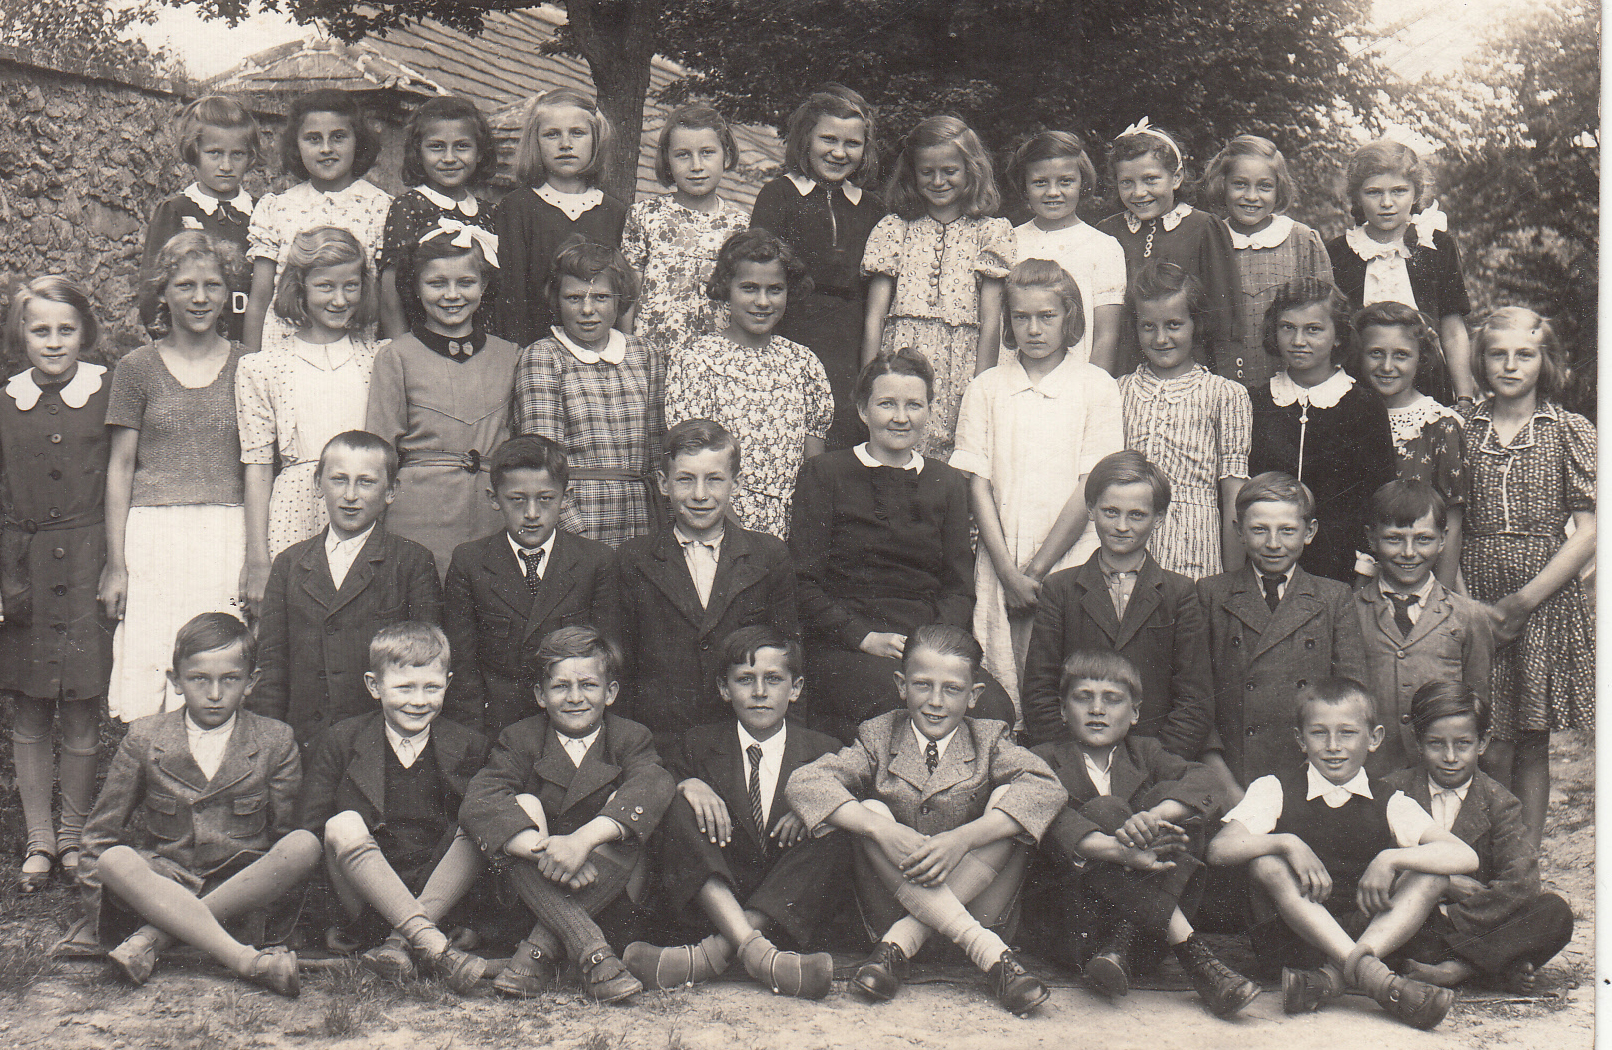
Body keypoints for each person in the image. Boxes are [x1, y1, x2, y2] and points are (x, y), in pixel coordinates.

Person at [786, 624, 1065, 1016]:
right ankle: (991, 955)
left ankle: (902, 943)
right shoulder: (879, 735)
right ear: (901, 686)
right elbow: (805, 783)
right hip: (892, 905)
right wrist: (882, 829)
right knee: (872, 812)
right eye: (922, 685)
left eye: (952, 689)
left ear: (974, 695)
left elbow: (1048, 788)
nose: (936, 701)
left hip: (981, 908)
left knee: (1009, 801)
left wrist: (964, 839)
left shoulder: (989, 739)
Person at [1207, 678, 1478, 1029]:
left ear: (1374, 738)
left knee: (1432, 874)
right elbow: (1219, 849)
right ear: (1300, 740)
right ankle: (1378, 980)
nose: (1333, 746)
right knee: (1265, 863)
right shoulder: (1274, 789)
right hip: (1292, 944)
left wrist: (1390, 858)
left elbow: (1464, 856)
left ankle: (1331, 979)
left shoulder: (1390, 800)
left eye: (1347, 733)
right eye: (1319, 733)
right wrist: (1286, 842)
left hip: (1371, 935)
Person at [79, 613, 321, 996]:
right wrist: (104, 915)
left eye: (231, 679)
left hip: (240, 888)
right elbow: (97, 840)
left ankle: (151, 939)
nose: (214, 694)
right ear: (175, 680)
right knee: (115, 860)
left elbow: (284, 836)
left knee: (304, 844)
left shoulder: (274, 740)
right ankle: (247, 961)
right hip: (162, 885)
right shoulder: (145, 738)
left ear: (252, 681)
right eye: (198, 679)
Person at [790, 348, 1015, 743]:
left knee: (995, 708)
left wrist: (931, 645)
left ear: (929, 410)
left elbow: (959, 587)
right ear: (863, 410)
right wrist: (863, 637)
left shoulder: (947, 482)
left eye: (914, 405)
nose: (900, 417)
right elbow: (802, 583)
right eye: (887, 404)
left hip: (927, 646)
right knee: (893, 708)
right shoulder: (825, 473)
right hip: (850, 645)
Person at [1030, 649, 1258, 1018]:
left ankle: (1123, 940)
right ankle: (1192, 952)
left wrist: (1153, 817)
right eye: (1083, 697)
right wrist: (1119, 850)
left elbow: (1208, 781)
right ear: (1062, 709)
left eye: (1112, 699)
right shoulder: (1042, 758)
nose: (1097, 709)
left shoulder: (1146, 752)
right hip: (1074, 927)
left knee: (1173, 805)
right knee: (1107, 810)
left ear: (1135, 712)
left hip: (1142, 941)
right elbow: (1049, 820)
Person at [622, 625, 848, 997]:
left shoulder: (825, 750)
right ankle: (763, 958)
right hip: (714, 899)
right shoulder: (696, 745)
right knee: (675, 801)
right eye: (745, 679)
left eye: (773, 679)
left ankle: (713, 954)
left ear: (795, 688)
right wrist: (687, 784)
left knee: (835, 821)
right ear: (724, 689)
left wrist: (816, 806)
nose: (759, 692)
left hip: (787, 906)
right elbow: (661, 783)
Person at [459, 626, 675, 1003]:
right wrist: (546, 852)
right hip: (534, 900)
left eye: (588, 685)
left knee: (628, 818)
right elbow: (479, 800)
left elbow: (655, 784)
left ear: (610, 692)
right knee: (518, 812)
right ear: (540, 695)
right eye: (560, 687)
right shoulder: (520, 738)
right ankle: (593, 952)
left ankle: (537, 953)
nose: (575, 698)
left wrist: (582, 842)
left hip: (612, 901)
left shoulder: (630, 738)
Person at [951, 259, 1123, 709]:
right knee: (1001, 684)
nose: (1033, 329)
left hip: (1070, 558)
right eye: (1021, 317)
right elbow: (977, 484)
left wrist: (1035, 573)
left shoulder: (1097, 387)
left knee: (1069, 682)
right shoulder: (986, 388)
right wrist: (1009, 575)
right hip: (1000, 559)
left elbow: (1092, 486)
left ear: (1069, 316)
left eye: (1047, 316)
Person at [1461, 307, 1595, 851]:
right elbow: (1448, 523)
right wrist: (1469, 606)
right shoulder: (1461, 428)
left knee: (1532, 738)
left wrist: (1524, 600)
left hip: (1541, 595)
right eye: (1498, 354)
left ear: (1546, 360)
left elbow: (1589, 530)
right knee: (1488, 739)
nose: (1510, 366)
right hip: (1474, 589)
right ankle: (1488, 857)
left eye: (1524, 354)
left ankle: (1527, 861)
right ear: (1480, 361)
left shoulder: (1567, 430)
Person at [103, 231, 249, 723]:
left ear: (228, 292)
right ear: (163, 292)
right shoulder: (136, 368)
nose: (200, 298)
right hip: (155, 536)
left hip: (226, 534)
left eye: (212, 285)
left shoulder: (250, 365)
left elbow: (257, 464)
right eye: (186, 285)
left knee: (217, 661)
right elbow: (121, 467)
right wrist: (116, 564)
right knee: (154, 659)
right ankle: (152, 768)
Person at [300, 622, 489, 993]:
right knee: (342, 823)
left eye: (431, 687)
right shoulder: (342, 740)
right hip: (366, 898)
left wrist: (476, 923)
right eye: (404, 687)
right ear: (374, 686)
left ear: (448, 684)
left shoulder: (469, 745)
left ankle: (400, 946)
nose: (418, 700)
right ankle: (430, 946)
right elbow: (312, 831)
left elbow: (476, 852)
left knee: (480, 821)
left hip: (437, 899)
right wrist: (326, 921)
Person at [1, 277, 113, 891]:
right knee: (32, 701)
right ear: (20, 334)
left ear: (84, 333)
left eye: (65, 329)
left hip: (88, 559)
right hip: (25, 567)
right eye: (39, 329)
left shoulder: (106, 390)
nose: (52, 341)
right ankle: (39, 837)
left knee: (81, 702)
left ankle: (73, 833)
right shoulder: (6, 399)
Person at [615, 420, 799, 750]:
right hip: (661, 742)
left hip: (742, 741)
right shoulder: (633, 558)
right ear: (664, 483)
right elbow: (621, 668)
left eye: (714, 479)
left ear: (736, 484)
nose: (700, 495)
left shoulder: (769, 555)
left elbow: (791, 657)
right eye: (685, 479)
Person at [251, 432, 442, 749]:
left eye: (366, 482)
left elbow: (426, 664)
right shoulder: (290, 563)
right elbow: (271, 668)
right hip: (305, 742)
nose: (350, 495)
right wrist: (272, 747)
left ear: (391, 491)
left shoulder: (412, 561)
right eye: (339, 480)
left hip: (380, 743)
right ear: (318, 484)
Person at [1020, 452, 1213, 756]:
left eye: (1137, 515)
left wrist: (1155, 765)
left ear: (1158, 518)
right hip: (1074, 760)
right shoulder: (1060, 589)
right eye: (1110, 512)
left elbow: (1194, 699)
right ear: (1090, 509)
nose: (1122, 526)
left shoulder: (1180, 593)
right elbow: (1039, 692)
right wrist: (1076, 763)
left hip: (1156, 761)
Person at [1385, 682, 1574, 992]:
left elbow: (1521, 882)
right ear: (1418, 742)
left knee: (1554, 913)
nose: (1450, 756)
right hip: (1413, 924)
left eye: (1463, 744)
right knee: (1366, 921)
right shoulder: (1393, 790)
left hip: (1477, 923)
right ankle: (1493, 967)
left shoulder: (1500, 801)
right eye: (1436, 744)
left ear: (1482, 743)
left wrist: (1453, 916)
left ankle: (1456, 970)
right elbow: (1368, 867)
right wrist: (1443, 884)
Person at [1195, 473, 1368, 799]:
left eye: (1287, 530)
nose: (1273, 543)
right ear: (1238, 531)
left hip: (1311, 777)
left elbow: (1352, 698)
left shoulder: (1334, 597)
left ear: (1309, 532)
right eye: (1259, 529)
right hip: (1233, 775)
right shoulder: (1212, 594)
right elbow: (1197, 699)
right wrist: (1225, 785)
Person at [237, 226, 379, 608]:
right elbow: (258, 468)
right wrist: (257, 559)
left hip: (363, 506)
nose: (339, 299)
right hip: (293, 513)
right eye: (325, 287)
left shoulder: (379, 358)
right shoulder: (262, 367)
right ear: (300, 288)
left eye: (351, 286)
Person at [364, 225, 517, 577]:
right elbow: (380, 452)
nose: (452, 295)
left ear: (484, 285)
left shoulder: (509, 355)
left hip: (491, 515)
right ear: (416, 288)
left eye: (466, 282)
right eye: (436, 283)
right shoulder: (396, 356)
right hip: (418, 515)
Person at [443, 436, 620, 737]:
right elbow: (462, 669)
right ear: (493, 499)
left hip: (573, 725)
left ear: (566, 497)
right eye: (517, 499)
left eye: (546, 499)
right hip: (497, 729)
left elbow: (609, 663)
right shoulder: (469, 562)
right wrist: (474, 743)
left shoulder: (596, 561)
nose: (532, 513)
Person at [664, 228, 833, 540]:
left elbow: (814, 468)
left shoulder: (803, 363)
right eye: (749, 288)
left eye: (775, 289)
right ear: (726, 288)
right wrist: (740, 539)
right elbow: (694, 461)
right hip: (720, 524)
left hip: (789, 528)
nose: (762, 301)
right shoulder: (697, 360)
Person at [861, 115, 1013, 457]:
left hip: (962, 367)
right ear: (912, 174)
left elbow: (991, 322)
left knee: (954, 461)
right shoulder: (894, 228)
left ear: (971, 170)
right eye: (927, 172)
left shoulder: (990, 232)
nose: (939, 181)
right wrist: (869, 383)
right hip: (900, 362)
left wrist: (982, 391)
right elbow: (874, 317)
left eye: (950, 171)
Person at [750, 85, 887, 450]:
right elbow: (760, 272)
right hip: (791, 330)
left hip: (849, 342)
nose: (839, 153)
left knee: (841, 434)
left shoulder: (873, 209)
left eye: (852, 143)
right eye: (828, 139)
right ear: (806, 139)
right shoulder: (779, 195)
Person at [511, 238, 665, 547]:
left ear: (619, 300)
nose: (587, 310)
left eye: (601, 297)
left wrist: (663, 527)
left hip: (642, 520)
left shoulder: (645, 353)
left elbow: (659, 450)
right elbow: (542, 460)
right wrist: (576, 534)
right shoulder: (544, 356)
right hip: (579, 520)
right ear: (557, 301)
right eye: (574, 298)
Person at [1247, 277, 1396, 583]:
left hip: (1339, 569)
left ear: (1338, 335)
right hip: (1264, 564)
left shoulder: (1364, 406)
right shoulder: (1256, 401)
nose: (1298, 340)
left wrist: (1365, 570)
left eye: (1313, 329)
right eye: (1288, 327)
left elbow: (1379, 497)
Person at [1118, 260, 1252, 579]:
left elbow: (1233, 496)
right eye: (1148, 326)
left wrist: (1231, 584)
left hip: (1196, 550)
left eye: (1174, 325)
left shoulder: (1225, 394)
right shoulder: (1118, 391)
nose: (1160, 338)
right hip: (1127, 547)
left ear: (1196, 324)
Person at [1354, 481, 1492, 775]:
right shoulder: (1349, 611)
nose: (1409, 552)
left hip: (1440, 773)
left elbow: (1478, 703)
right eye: (1394, 539)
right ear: (1371, 538)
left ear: (1443, 539)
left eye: (1423, 539)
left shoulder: (1469, 616)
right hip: (1371, 774)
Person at [244, 89, 391, 355]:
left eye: (338, 137)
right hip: (284, 357)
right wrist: (250, 364)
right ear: (296, 145)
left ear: (358, 140)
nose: (326, 149)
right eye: (313, 139)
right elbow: (260, 298)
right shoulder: (277, 208)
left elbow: (388, 301)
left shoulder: (380, 207)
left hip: (356, 356)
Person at [1326, 139, 1474, 402]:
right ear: (1357, 196)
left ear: (1416, 194)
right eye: (1373, 192)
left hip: (1428, 383)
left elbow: (1453, 330)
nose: (1387, 202)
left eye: (1399, 191)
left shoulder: (1436, 245)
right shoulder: (1339, 251)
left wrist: (1464, 397)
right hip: (1356, 386)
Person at [1096, 118, 1240, 377]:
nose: (1139, 192)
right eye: (1126, 182)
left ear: (1176, 177)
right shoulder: (1107, 232)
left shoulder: (1203, 227)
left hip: (1189, 369)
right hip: (1123, 369)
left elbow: (1224, 316)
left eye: (1151, 179)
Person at [491, 88, 627, 347]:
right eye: (552, 134)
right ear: (535, 142)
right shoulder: (517, 207)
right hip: (535, 350)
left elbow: (620, 295)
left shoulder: (614, 211)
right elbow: (511, 293)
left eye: (577, 133)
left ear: (596, 140)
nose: (565, 144)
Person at [1202, 134, 1333, 387]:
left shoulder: (1301, 240)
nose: (1251, 196)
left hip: (1290, 383)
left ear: (1278, 189)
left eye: (1264, 186)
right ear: (1222, 185)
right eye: (1240, 184)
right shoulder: (1209, 239)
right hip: (1221, 382)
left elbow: (1328, 318)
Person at [622, 102, 749, 354]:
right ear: (667, 160)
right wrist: (627, 352)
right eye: (683, 155)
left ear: (726, 155)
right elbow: (628, 291)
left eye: (707, 152)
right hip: (654, 353)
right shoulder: (645, 215)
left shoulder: (741, 225)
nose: (696, 165)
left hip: (717, 356)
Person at [1355, 301, 1465, 586]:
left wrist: (1439, 599)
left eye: (1401, 355)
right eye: (1376, 353)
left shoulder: (1439, 424)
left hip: (1419, 581)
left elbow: (1452, 526)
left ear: (1421, 358)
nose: (1387, 366)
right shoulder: (1347, 415)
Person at [137, 95, 261, 342]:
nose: (226, 165)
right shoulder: (176, 211)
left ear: (250, 156)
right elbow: (152, 289)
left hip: (253, 341)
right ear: (195, 152)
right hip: (193, 342)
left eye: (237, 154)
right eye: (214, 153)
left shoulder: (262, 212)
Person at [377, 96, 499, 338]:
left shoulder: (488, 212)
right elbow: (391, 295)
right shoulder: (409, 206)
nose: (449, 158)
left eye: (462, 146)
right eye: (436, 147)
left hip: (479, 340)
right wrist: (402, 351)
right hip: (423, 342)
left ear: (480, 153)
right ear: (418, 153)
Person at [1007, 130, 1125, 372]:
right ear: (1025, 186)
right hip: (1013, 378)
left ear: (1082, 183)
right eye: (1040, 182)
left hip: (1077, 382)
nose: (1053, 192)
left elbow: (1106, 336)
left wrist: (1091, 388)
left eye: (1065, 181)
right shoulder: (1008, 240)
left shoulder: (1102, 246)